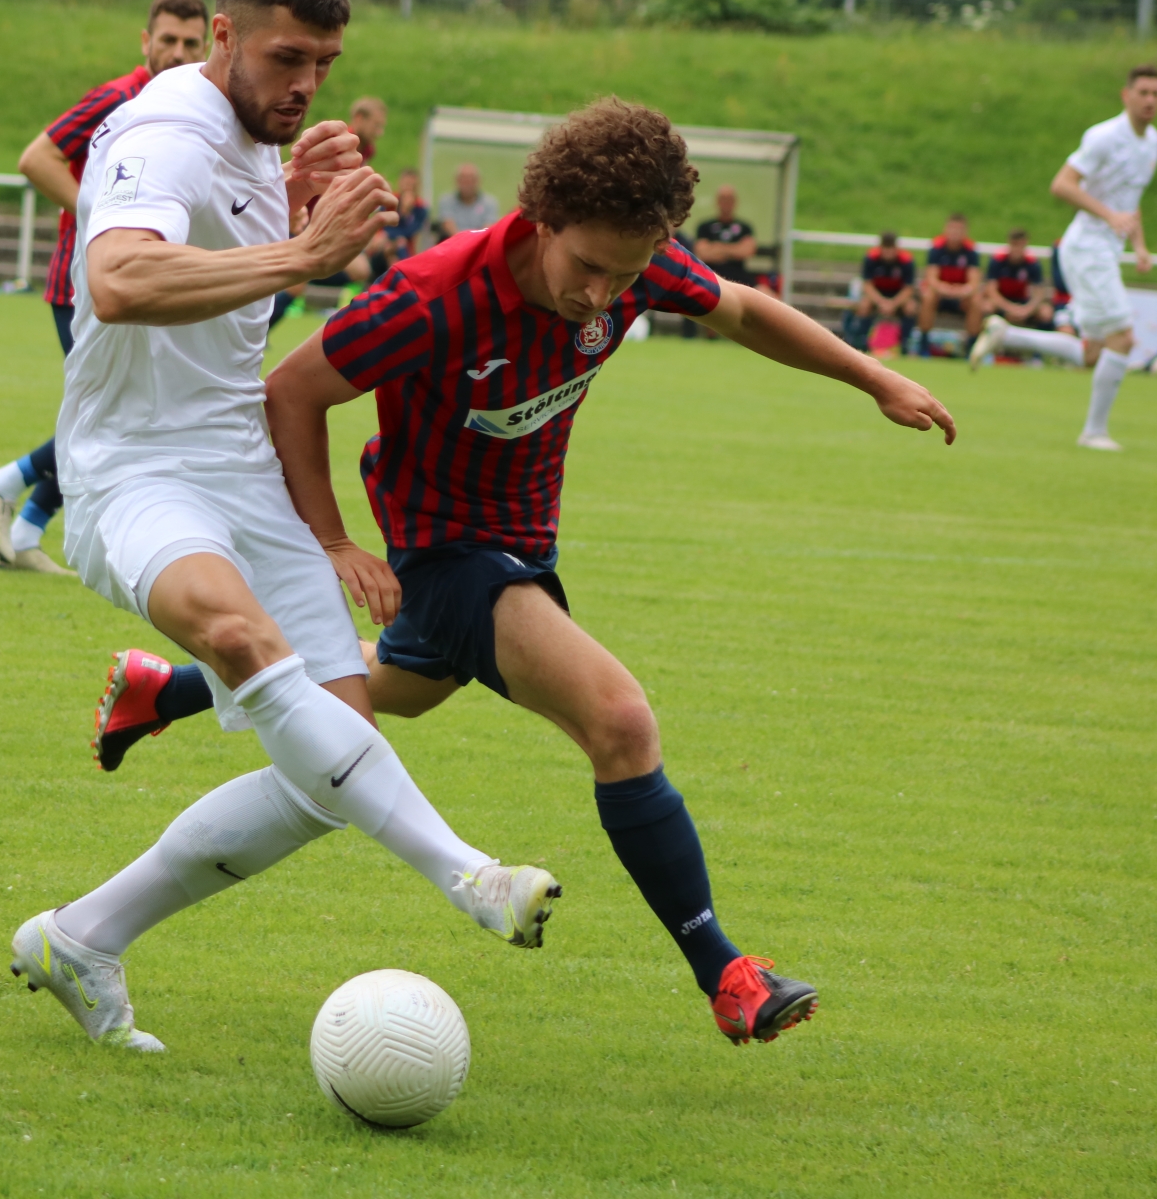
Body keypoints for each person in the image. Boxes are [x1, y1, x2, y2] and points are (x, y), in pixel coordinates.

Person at [93, 98, 960, 1046]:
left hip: (522, 538)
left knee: (405, 689)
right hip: (447, 553)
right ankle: (727, 973)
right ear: (542, 220)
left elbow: (743, 308)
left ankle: (164, 692)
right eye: (586, 267)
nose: (602, 295)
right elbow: (292, 390)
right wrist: (335, 543)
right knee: (620, 720)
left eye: (625, 275)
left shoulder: (633, 263)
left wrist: (875, 377)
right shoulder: (433, 295)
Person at [9, 0, 561, 1054]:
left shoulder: (261, 138)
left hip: (239, 467)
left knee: (330, 764)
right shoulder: (167, 128)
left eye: (325, 63)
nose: (305, 83)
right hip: (134, 470)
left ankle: (81, 936)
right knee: (236, 634)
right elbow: (118, 279)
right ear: (222, 37)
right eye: (285, 57)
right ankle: (468, 875)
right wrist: (302, 252)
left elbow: (237, 269)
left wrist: (293, 206)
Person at [0, 0, 209, 573]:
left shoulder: (193, 107)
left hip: (139, 285)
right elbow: (37, 158)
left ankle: (22, 529)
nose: (178, 53)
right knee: (117, 414)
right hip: (83, 288)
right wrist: (108, 217)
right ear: (145, 42)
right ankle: (4, 485)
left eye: (190, 43)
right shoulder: (118, 98)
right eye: (168, 40)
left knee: (119, 413)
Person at [970, 65, 1157, 449]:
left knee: (1093, 353)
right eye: (1143, 92)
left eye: (1156, 94)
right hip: (1087, 248)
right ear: (1126, 95)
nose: (1150, 100)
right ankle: (1094, 432)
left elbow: (1131, 201)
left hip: (1105, 250)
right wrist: (1109, 216)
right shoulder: (1104, 137)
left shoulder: (1153, 141)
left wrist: (1139, 245)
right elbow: (1061, 184)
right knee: (1123, 338)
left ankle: (1007, 335)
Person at [916, 213, 983, 351]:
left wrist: (961, 291)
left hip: (961, 296)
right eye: (952, 228)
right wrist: (946, 289)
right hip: (940, 294)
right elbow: (932, 279)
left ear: (965, 231)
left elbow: (974, 282)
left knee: (976, 301)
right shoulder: (937, 248)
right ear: (945, 229)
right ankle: (924, 343)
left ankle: (971, 346)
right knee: (928, 296)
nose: (955, 233)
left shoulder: (971, 251)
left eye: (959, 229)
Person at [840, 230, 915, 350]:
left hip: (897, 296)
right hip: (877, 295)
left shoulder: (906, 260)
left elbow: (908, 289)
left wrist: (893, 304)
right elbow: (867, 286)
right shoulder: (871, 257)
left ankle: (905, 344)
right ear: (880, 248)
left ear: (896, 248)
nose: (888, 254)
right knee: (864, 305)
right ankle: (862, 342)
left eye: (891, 250)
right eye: (886, 250)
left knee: (910, 307)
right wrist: (881, 302)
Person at [978, 229, 1051, 329]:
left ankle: (1040, 337)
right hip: (1002, 301)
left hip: (1022, 302)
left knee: (1045, 312)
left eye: (1021, 245)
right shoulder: (998, 260)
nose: (1018, 249)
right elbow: (991, 291)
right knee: (986, 306)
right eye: (1015, 245)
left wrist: (1026, 310)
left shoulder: (1032, 263)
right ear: (1009, 243)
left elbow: (1038, 293)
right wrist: (1010, 308)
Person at [692, 185, 755, 286]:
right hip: (710, 278)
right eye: (723, 199)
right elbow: (703, 253)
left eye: (729, 199)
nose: (726, 203)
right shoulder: (704, 227)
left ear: (735, 202)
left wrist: (717, 247)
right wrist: (734, 250)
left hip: (740, 279)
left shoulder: (745, 227)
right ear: (717, 202)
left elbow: (746, 251)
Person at [431, 162, 500, 240]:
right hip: (454, 242)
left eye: (471, 179)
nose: (467, 182)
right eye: (463, 179)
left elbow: (488, 228)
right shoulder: (446, 201)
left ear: (478, 181)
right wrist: (464, 241)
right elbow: (448, 225)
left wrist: (473, 242)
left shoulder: (490, 203)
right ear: (457, 180)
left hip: (480, 243)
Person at [383, 167, 429, 260]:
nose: (409, 189)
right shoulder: (390, 201)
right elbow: (386, 227)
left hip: (406, 248)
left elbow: (411, 231)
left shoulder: (420, 207)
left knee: (401, 243)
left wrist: (406, 211)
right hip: (387, 243)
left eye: (412, 186)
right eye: (407, 184)